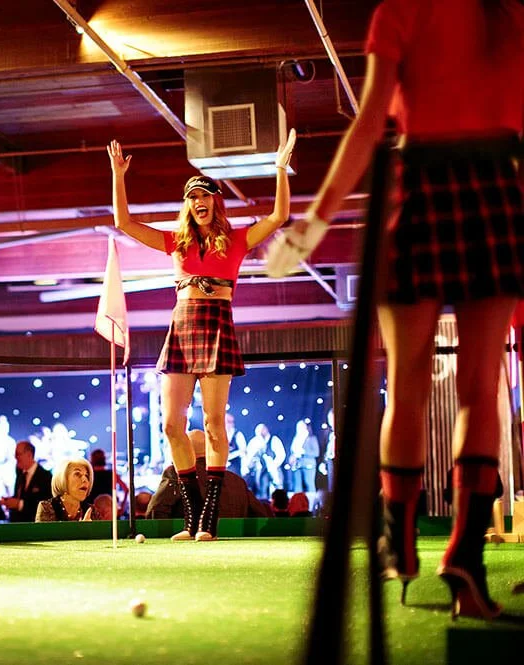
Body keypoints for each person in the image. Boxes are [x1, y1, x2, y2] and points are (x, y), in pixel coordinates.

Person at [265, 0, 523, 619]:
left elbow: (372, 117)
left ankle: (398, 541)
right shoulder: (509, 13)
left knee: (407, 383)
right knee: (478, 385)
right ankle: (465, 552)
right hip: (499, 186)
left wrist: (313, 223)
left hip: (424, 187)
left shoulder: (402, 8)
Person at [107, 129, 294, 541]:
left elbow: (279, 217)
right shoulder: (176, 243)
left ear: (215, 202)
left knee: (212, 424)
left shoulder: (237, 240)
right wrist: (119, 175)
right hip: (183, 324)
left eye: (205, 195)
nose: (199, 202)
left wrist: (279, 170)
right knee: (171, 424)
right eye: (192, 197)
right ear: (187, 206)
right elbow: (123, 222)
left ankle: (208, 522)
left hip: (216, 325)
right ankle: (190, 518)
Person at [145, 430, 272, 520]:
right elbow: (261, 517)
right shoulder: (237, 480)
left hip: (190, 550)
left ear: (185, 452)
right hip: (234, 550)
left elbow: (155, 513)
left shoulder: (175, 473)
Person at [1, 441, 52, 522]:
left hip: (34, 526)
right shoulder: (20, 473)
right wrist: (10, 501)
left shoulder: (45, 476)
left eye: (18, 454)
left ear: (29, 455)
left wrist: (19, 504)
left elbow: (45, 505)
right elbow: (20, 496)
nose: (15, 457)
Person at [35, 459, 100, 522]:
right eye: (77, 474)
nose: (85, 480)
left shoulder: (92, 511)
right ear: (63, 479)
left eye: (86, 476)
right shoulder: (47, 508)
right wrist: (83, 530)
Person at [243, 423, 285, 499]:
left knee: (277, 489)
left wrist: (274, 465)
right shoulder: (254, 442)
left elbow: (281, 454)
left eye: (263, 430)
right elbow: (249, 456)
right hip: (260, 470)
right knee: (262, 490)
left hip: (274, 468)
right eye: (259, 431)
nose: (261, 432)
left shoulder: (274, 439)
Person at [87, 448, 129, 515]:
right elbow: (126, 489)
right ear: (104, 459)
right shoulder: (112, 474)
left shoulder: (89, 476)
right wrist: (121, 507)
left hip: (92, 509)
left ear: (91, 460)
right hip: (110, 510)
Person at [288, 419, 320, 493]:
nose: (300, 428)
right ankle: (297, 503)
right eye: (299, 426)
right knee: (297, 486)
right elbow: (293, 451)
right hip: (297, 465)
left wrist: (304, 452)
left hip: (308, 465)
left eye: (302, 426)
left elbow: (316, 453)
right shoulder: (296, 439)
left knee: (309, 484)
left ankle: (312, 502)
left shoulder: (312, 438)